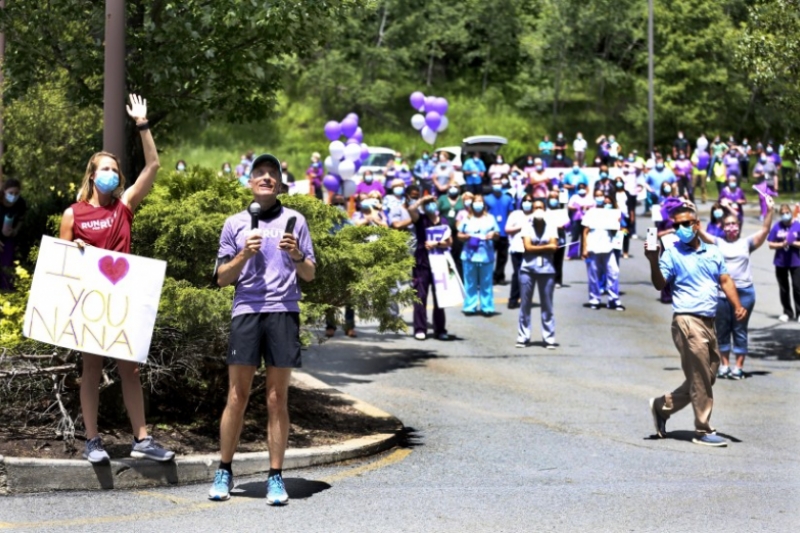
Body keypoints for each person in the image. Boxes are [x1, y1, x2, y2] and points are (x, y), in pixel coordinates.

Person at [58, 94, 174, 464]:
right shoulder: (72, 214)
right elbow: (59, 268)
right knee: (90, 369)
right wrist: (72, 248)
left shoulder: (124, 206)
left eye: (116, 170)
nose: (112, 174)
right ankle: (92, 441)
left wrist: (142, 124)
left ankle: (141, 438)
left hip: (123, 296)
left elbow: (153, 165)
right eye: (106, 169)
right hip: (91, 302)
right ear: (93, 175)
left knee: (130, 368)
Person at [210, 152, 316, 505]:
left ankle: (275, 477)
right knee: (237, 396)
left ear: (280, 183)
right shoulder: (234, 223)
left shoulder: (295, 220)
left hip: (283, 311)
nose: (267, 177)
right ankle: (224, 470)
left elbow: (310, 274)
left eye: (273, 173)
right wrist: (242, 255)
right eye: (260, 172)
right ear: (250, 181)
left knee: (277, 398)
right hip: (247, 311)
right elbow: (222, 279)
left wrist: (297, 255)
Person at [645, 200, 746, 447]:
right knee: (701, 376)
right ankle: (703, 429)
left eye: (686, 224)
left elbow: (725, 280)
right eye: (676, 225)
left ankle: (662, 405)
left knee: (706, 376)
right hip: (686, 321)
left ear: (697, 224)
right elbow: (660, 284)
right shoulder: (671, 253)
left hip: (709, 321)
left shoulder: (712, 251)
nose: (681, 229)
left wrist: (737, 305)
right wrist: (651, 259)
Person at [695, 198, 773, 379]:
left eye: (734, 224)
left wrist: (769, 211)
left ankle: (738, 367)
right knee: (722, 329)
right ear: (722, 227)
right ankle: (724, 365)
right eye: (727, 225)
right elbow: (698, 231)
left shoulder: (746, 243)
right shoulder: (717, 243)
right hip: (721, 294)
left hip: (744, 293)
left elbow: (765, 230)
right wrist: (690, 209)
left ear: (739, 226)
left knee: (739, 329)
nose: (731, 227)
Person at [516, 197, 559, 348]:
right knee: (525, 304)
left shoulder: (551, 226)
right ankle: (523, 336)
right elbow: (527, 247)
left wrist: (540, 247)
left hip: (547, 269)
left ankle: (548, 337)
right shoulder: (527, 226)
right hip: (528, 268)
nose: (538, 210)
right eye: (535, 207)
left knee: (547, 304)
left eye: (541, 207)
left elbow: (555, 246)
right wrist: (547, 247)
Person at [408, 196, 451, 340]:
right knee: (420, 296)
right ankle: (420, 328)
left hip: (439, 261)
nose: (430, 206)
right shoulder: (420, 219)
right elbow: (411, 209)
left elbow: (449, 241)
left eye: (432, 203)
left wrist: (436, 244)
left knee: (440, 296)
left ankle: (440, 329)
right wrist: (422, 200)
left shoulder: (443, 221)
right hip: (422, 262)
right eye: (428, 204)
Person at [581, 191, 625, 310]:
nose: (606, 204)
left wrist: (617, 221)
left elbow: (615, 232)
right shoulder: (591, 212)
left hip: (608, 247)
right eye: (603, 200)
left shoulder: (612, 214)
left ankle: (613, 299)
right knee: (593, 275)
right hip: (593, 247)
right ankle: (594, 299)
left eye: (609, 203)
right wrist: (584, 248)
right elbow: (585, 231)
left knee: (613, 272)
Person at [458, 194, 499, 316]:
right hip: (469, 255)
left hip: (486, 255)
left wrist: (493, 235)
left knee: (486, 283)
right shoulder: (467, 219)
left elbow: (497, 233)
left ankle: (487, 307)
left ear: (484, 204)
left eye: (480, 201)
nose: (478, 204)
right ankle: (470, 306)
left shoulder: (490, 218)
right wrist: (466, 237)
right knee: (470, 283)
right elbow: (459, 234)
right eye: (476, 201)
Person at [325, 195, 357, 338]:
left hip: (347, 264)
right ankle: (330, 326)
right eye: (335, 203)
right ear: (331, 205)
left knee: (349, 298)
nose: (338, 205)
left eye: (341, 203)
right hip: (331, 264)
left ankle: (349, 326)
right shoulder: (325, 224)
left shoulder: (349, 223)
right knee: (330, 297)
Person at [768, 204, 800, 322]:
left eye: (787, 212)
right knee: (784, 288)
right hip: (781, 262)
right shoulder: (777, 227)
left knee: (797, 287)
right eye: (782, 213)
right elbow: (770, 244)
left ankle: (799, 312)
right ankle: (787, 312)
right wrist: (782, 244)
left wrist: (792, 243)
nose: (785, 215)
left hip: (795, 262)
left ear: (791, 213)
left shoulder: (797, 226)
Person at [505, 195, 536, 309]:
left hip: (531, 249)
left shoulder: (536, 215)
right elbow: (507, 229)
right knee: (518, 274)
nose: (527, 203)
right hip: (517, 248)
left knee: (529, 275)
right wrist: (521, 226)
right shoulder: (515, 214)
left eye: (530, 201)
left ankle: (526, 299)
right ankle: (513, 299)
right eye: (525, 201)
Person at [485, 176, 515, 285]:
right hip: (492, 233)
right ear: (491, 185)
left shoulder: (507, 198)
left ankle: (500, 276)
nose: (497, 185)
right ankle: (491, 276)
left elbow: (511, 213)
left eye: (499, 183)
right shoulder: (487, 199)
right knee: (490, 256)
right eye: (494, 183)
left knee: (503, 257)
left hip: (504, 232)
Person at [0, 178, 26, 290]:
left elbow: (21, 219)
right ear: (4, 191)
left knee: (7, 262)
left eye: (16, 193)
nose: (13, 196)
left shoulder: (20, 203)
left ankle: (6, 288)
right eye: (11, 193)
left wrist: (15, 230)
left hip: (8, 236)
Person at [438, 184, 465, 277]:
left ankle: (459, 276)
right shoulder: (442, 198)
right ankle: (447, 274)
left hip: (458, 230)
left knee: (458, 253)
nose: (453, 188)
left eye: (455, 187)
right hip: (445, 230)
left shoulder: (462, 199)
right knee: (446, 252)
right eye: (451, 186)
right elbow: (437, 211)